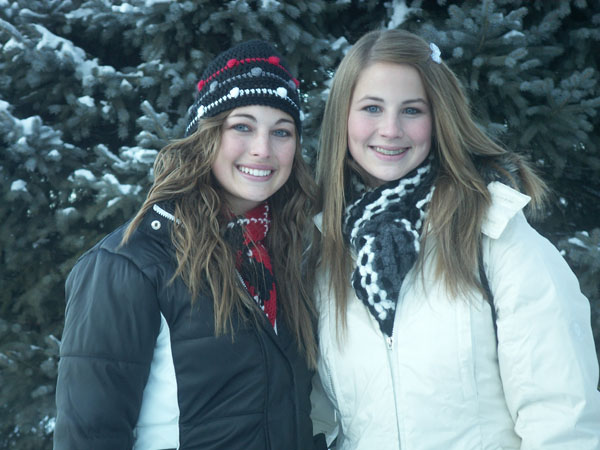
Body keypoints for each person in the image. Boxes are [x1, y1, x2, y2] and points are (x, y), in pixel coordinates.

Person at [309, 28, 600, 450]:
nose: (390, 129)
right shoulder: (326, 251)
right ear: (342, 118)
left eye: (412, 110)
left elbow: (561, 416)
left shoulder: (496, 236)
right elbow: (321, 420)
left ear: (438, 117)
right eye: (372, 107)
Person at [54, 40, 326, 450]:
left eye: (282, 132)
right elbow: (88, 437)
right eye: (242, 126)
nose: (263, 149)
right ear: (206, 135)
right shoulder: (130, 264)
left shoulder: (287, 253)